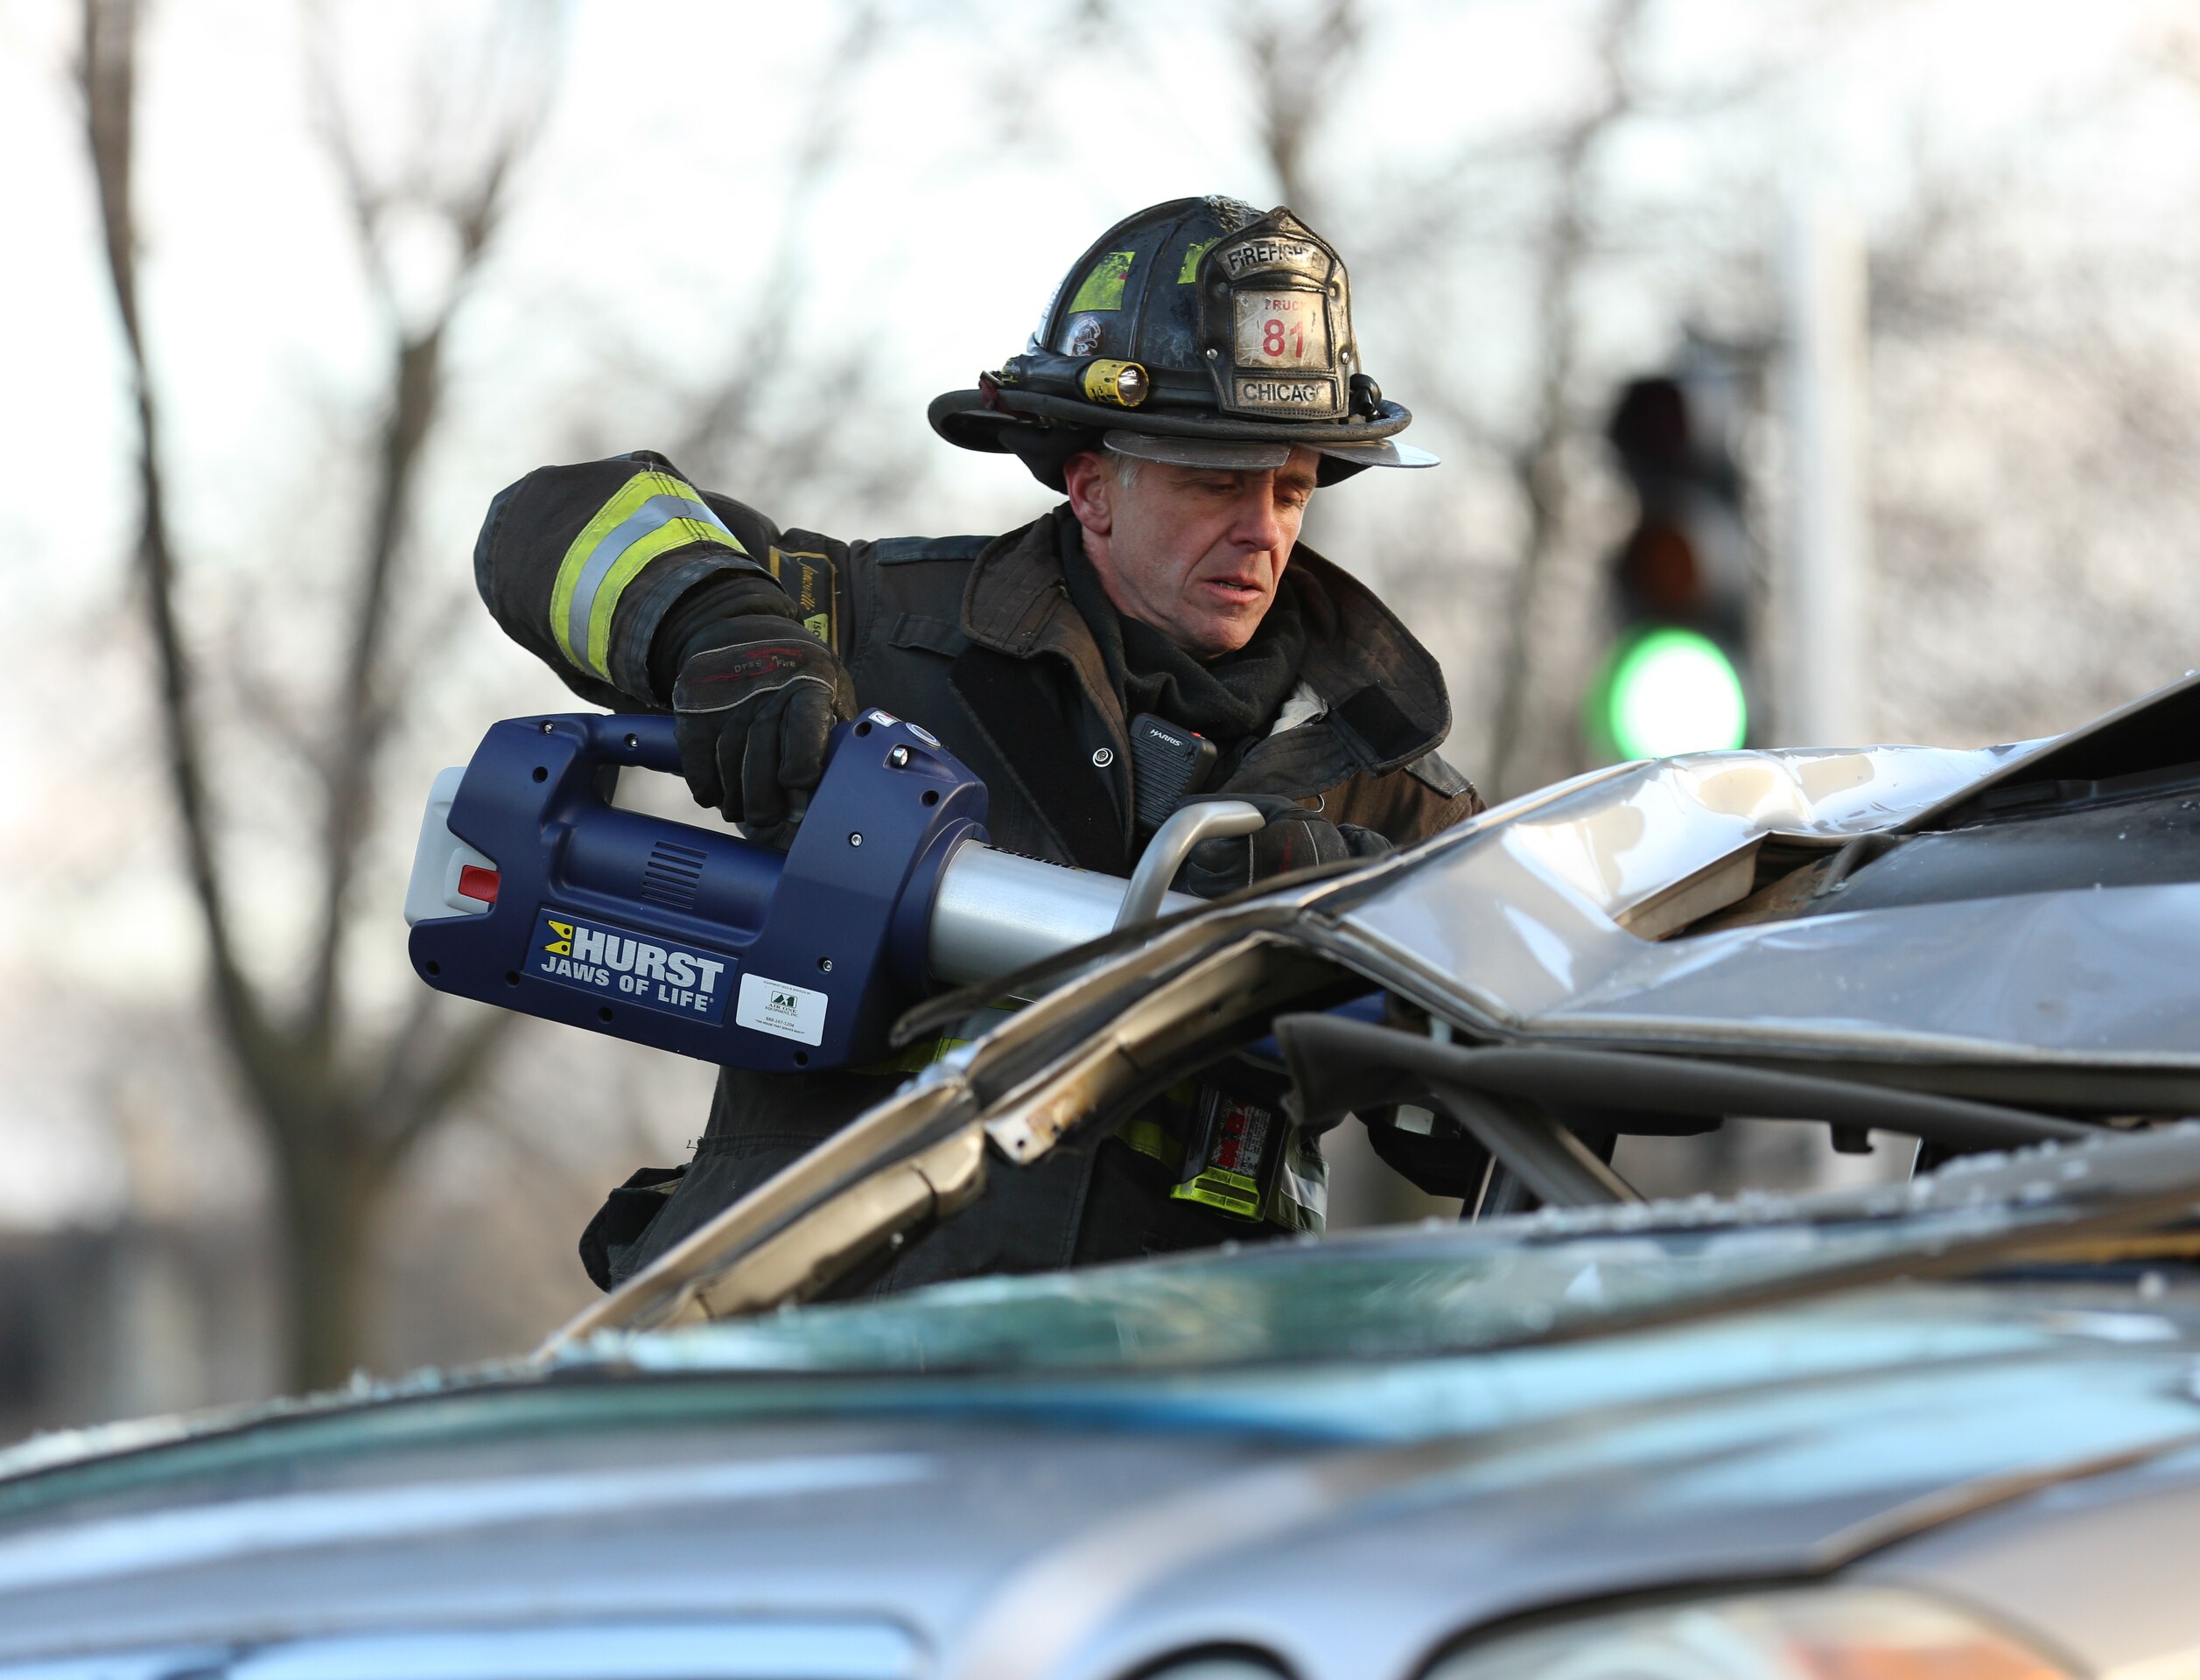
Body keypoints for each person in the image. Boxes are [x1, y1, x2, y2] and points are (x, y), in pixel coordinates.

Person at [469, 196, 1481, 1295]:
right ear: (1093, 487)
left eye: (1292, 487)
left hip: (1187, 1414)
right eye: (1216, 482)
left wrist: (1384, 946)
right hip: (812, 1368)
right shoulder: (880, 636)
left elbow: (1509, 1106)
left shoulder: (1387, 794)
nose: (1265, 528)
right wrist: (718, 626)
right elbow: (545, 522)